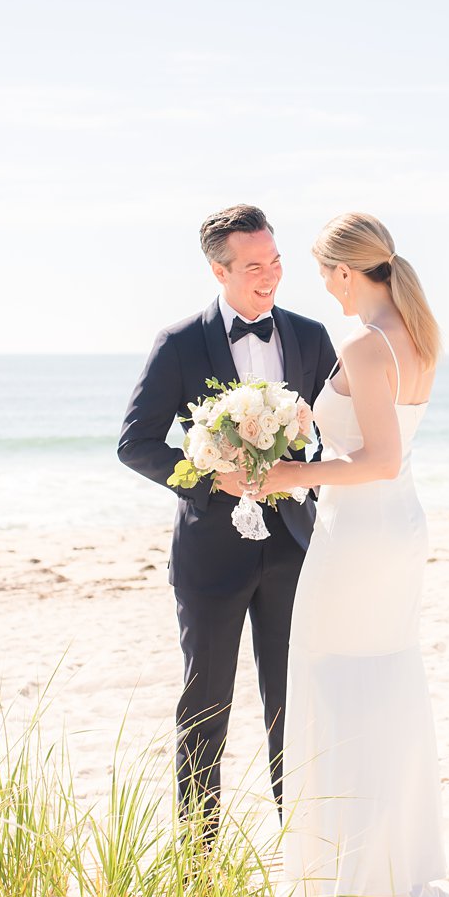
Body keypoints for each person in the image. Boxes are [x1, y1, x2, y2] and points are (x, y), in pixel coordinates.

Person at [262, 213, 449, 897]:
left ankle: (354, 885)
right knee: (381, 683)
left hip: (360, 534)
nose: (323, 287)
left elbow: (374, 457)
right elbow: (391, 456)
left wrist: (281, 472)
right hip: (395, 525)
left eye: (324, 272)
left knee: (333, 683)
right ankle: (385, 869)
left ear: (348, 271)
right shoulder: (420, 334)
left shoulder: (366, 342)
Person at [117, 204, 337, 839]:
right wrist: (214, 476)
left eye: (275, 262)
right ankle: (201, 861)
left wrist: (314, 484)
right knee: (204, 706)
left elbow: (331, 436)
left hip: (294, 546)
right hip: (210, 552)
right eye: (252, 267)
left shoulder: (310, 337)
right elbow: (138, 445)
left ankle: (303, 853)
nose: (269, 277)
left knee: (292, 704)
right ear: (218, 270)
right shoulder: (180, 343)